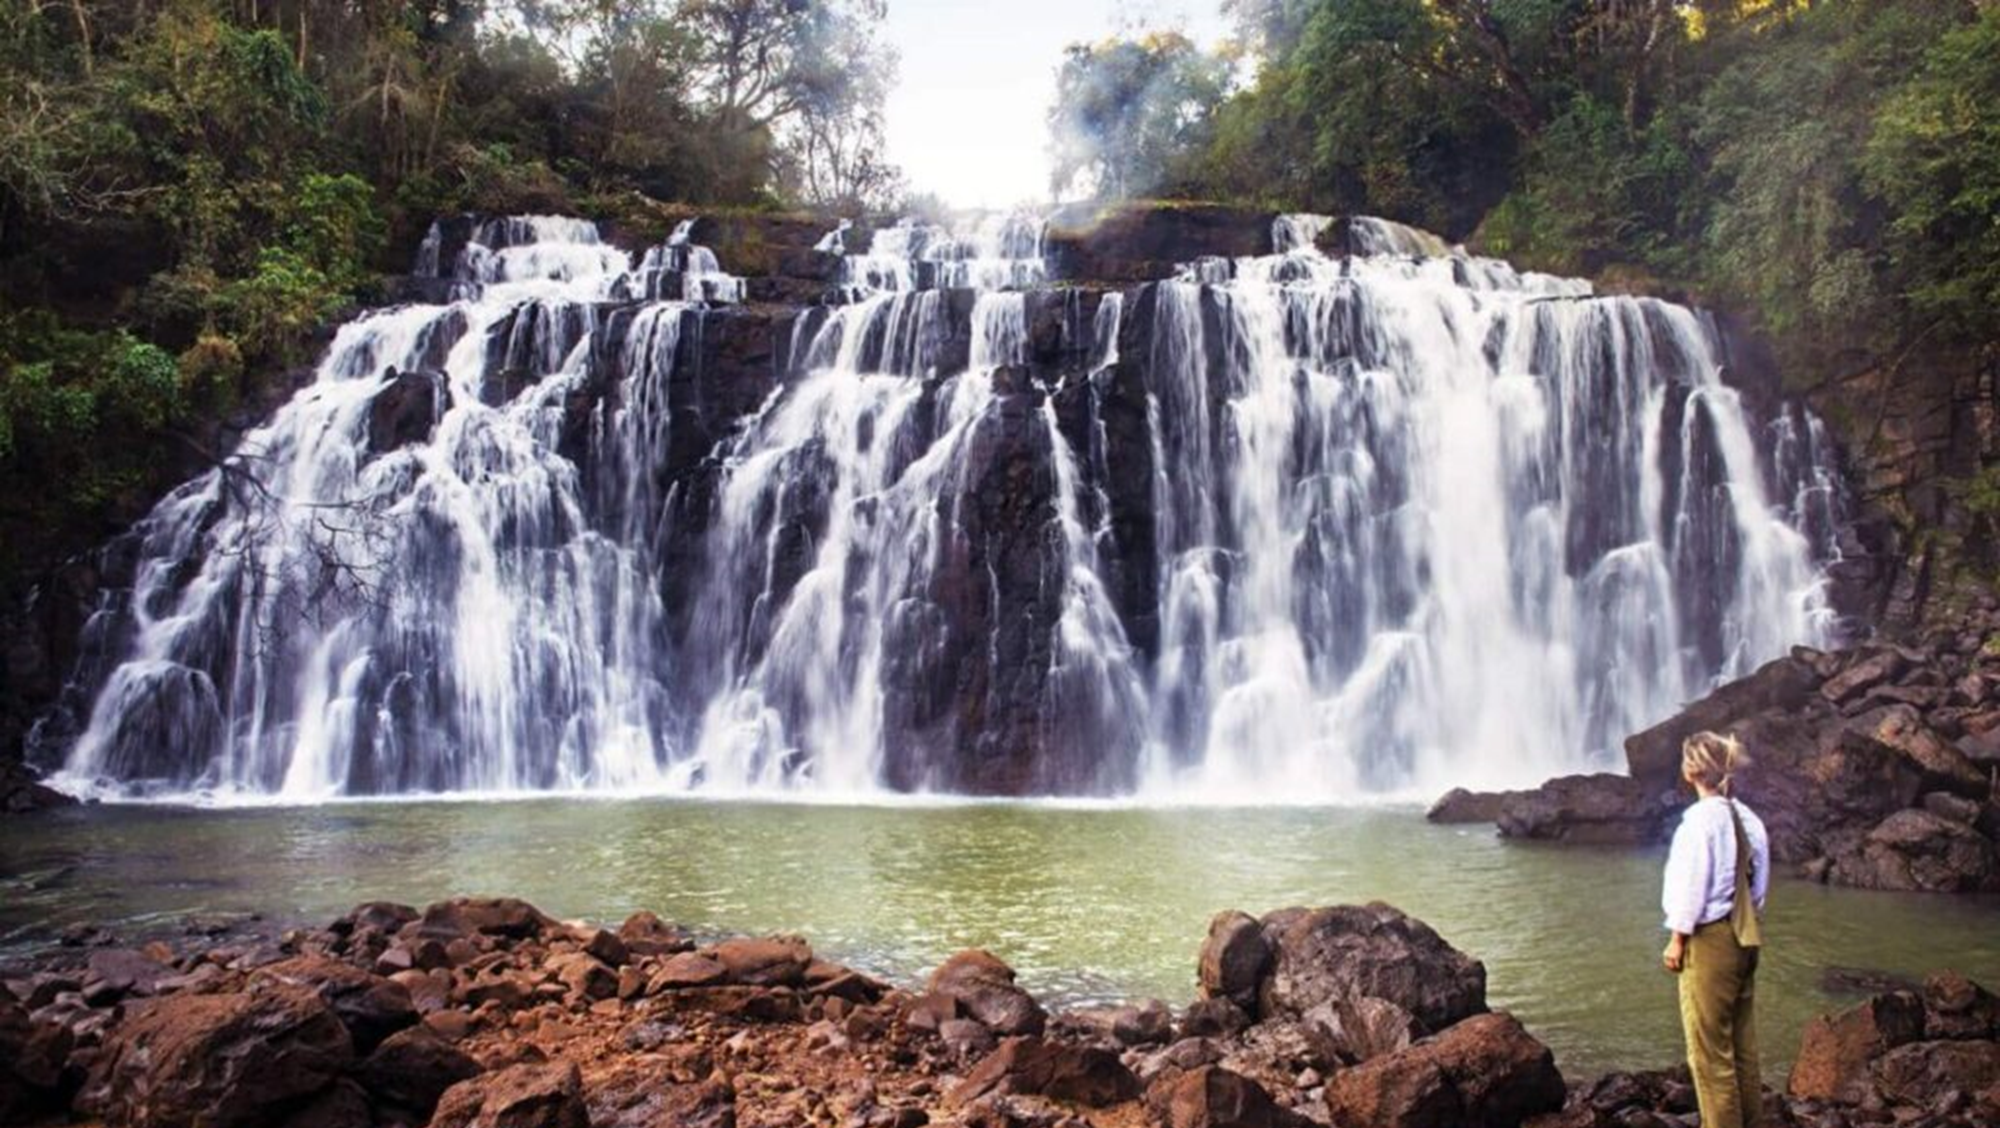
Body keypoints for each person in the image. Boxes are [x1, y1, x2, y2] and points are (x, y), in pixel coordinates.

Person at [1661, 730, 1770, 1128]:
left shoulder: (1698, 824)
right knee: (1742, 1046)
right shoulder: (1750, 820)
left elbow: (1691, 888)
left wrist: (1677, 939)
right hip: (1746, 935)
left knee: (1710, 1055)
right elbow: (1758, 888)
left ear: (1691, 771)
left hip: (1709, 941)